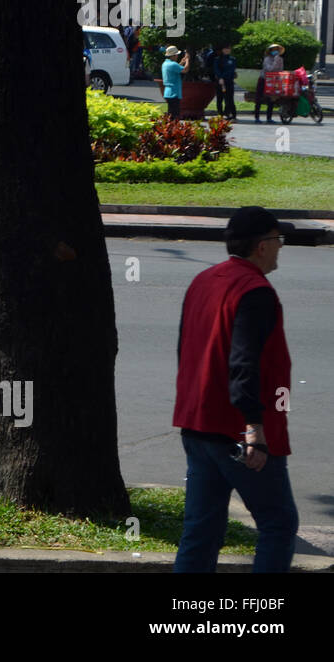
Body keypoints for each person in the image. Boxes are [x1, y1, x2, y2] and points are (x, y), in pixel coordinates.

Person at [172, 207, 298, 573]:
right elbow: (244, 364)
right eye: (278, 240)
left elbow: (187, 351)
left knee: (201, 530)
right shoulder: (256, 291)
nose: (280, 248)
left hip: (198, 426)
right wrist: (254, 429)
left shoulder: (203, 280)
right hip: (236, 432)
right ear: (262, 246)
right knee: (278, 523)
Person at [255, 43, 284, 124]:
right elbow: (270, 69)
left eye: (277, 50)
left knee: (271, 98)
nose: (275, 51)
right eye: (274, 50)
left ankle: (269, 117)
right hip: (264, 79)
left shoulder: (280, 59)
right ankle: (257, 117)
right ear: (270, 51)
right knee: (259, 98)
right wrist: (275, 61)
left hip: (273, 80)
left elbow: (280, 70)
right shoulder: (267, 59)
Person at [161, 45, 190, 120]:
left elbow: (176, 69)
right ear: (173, 56)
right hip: (174, 92)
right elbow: (185, 70)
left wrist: (181, 62)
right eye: (176, 55)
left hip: (168, 92)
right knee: (175, 115)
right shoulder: (173, 64)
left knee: (170, 113)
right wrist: (187, 60)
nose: (177, 56)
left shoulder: (165, 63)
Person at [214, 43, 238, 120]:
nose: (227, 50)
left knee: (229, 98)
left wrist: (223, 77)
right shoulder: (218, 59)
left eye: (228, 49)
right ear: (222, 50)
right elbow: (216, 69)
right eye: (225, 49)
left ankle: (230, 114)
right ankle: (220, 114)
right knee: (219, 98)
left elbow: (231, 70)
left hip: (229, 81)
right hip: (220, 82)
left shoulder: (232, 59)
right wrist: (220, 78)